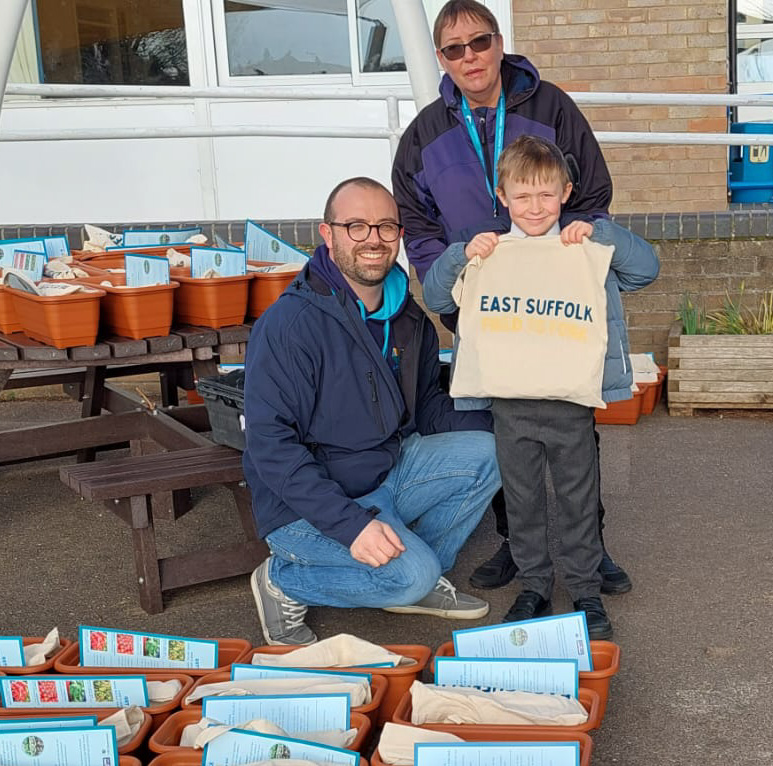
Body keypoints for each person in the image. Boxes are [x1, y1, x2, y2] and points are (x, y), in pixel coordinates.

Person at [392, 0, 632, 596]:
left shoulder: (551, 106)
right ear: (441, 60)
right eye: (453, 49)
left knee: (572, 421)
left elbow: (591, 191)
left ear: (499, 43)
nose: (469, 57)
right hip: (484, 304)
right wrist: (446, 286)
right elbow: (415, 224)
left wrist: (569, 250)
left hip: (553, 305)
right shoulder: (425, 133)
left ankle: (590, 548)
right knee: (502, 424)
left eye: (479, 42)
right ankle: (514, 544)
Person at [243, 177, 501, 646]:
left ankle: (418, 578)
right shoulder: (291, 324)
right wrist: (351, 525)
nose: (373, 240)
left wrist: (513, 425)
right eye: (356, 226)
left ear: (399, 234)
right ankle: (283, 580)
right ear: (328, 234)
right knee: (409, 574)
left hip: (382, 474)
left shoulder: (408, 320)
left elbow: (427, 411)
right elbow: (270, 446)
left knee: (492, 451)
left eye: (385, 226)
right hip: (302, 507)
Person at [421, 136, 659, 639]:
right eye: (522, 196)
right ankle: (533, 585)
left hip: (570, 402)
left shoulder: (585, 245)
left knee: (578, 499)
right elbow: (437, 293)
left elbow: (646, 270)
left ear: (566, 192)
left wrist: (601, 232)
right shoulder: (485, 251)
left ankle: (586, 591)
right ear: (501, 196)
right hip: (510, 403)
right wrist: (461, 255)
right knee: (524, 502)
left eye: (546, 195)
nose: (535, 207)